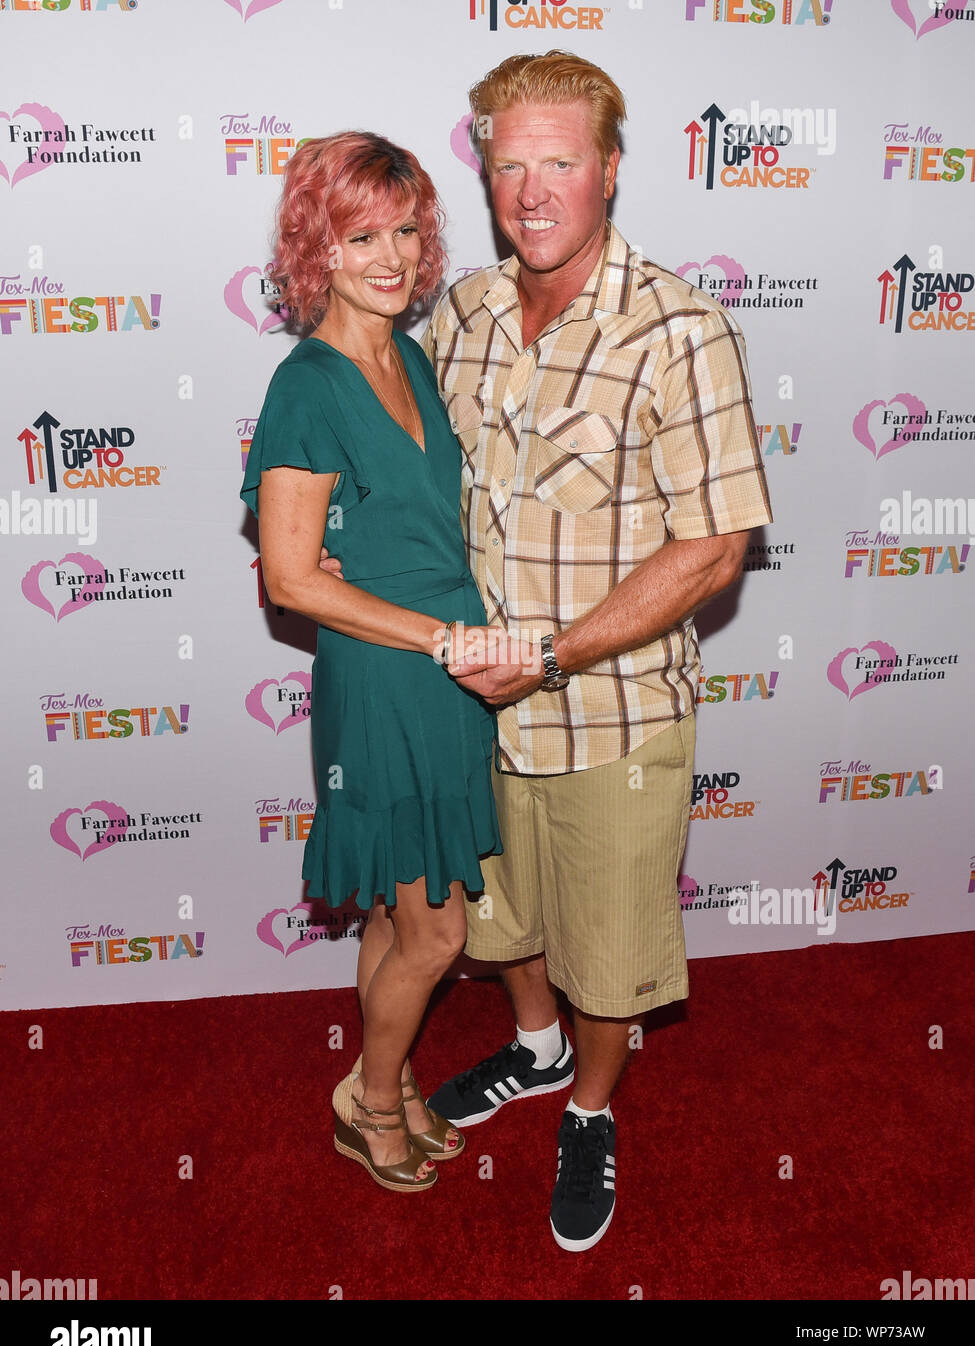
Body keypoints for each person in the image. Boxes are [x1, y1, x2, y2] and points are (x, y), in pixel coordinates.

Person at [419, 52, 774, 1250]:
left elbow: (715, 546)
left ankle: (590, 1103)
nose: (531, 190)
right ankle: (533, 1048)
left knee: (612, 952)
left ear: (610, 170)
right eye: (509, 164)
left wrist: (552, 655)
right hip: (473, 707)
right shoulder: (459, 314)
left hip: (611, 711)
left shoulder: (679, 327)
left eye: (559, 161)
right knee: (503, 917)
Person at [240, 132, 506, 1193]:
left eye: (405, 230)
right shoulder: (306, 385)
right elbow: (294, 579)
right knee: (440, 929)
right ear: (319, 246)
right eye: (361, 235)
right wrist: (439, 636)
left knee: (405, 912)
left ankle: (376, 1085)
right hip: (391, 676)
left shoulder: (412, 354)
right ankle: (374, 1099)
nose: (390, 256)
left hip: (449, 671)